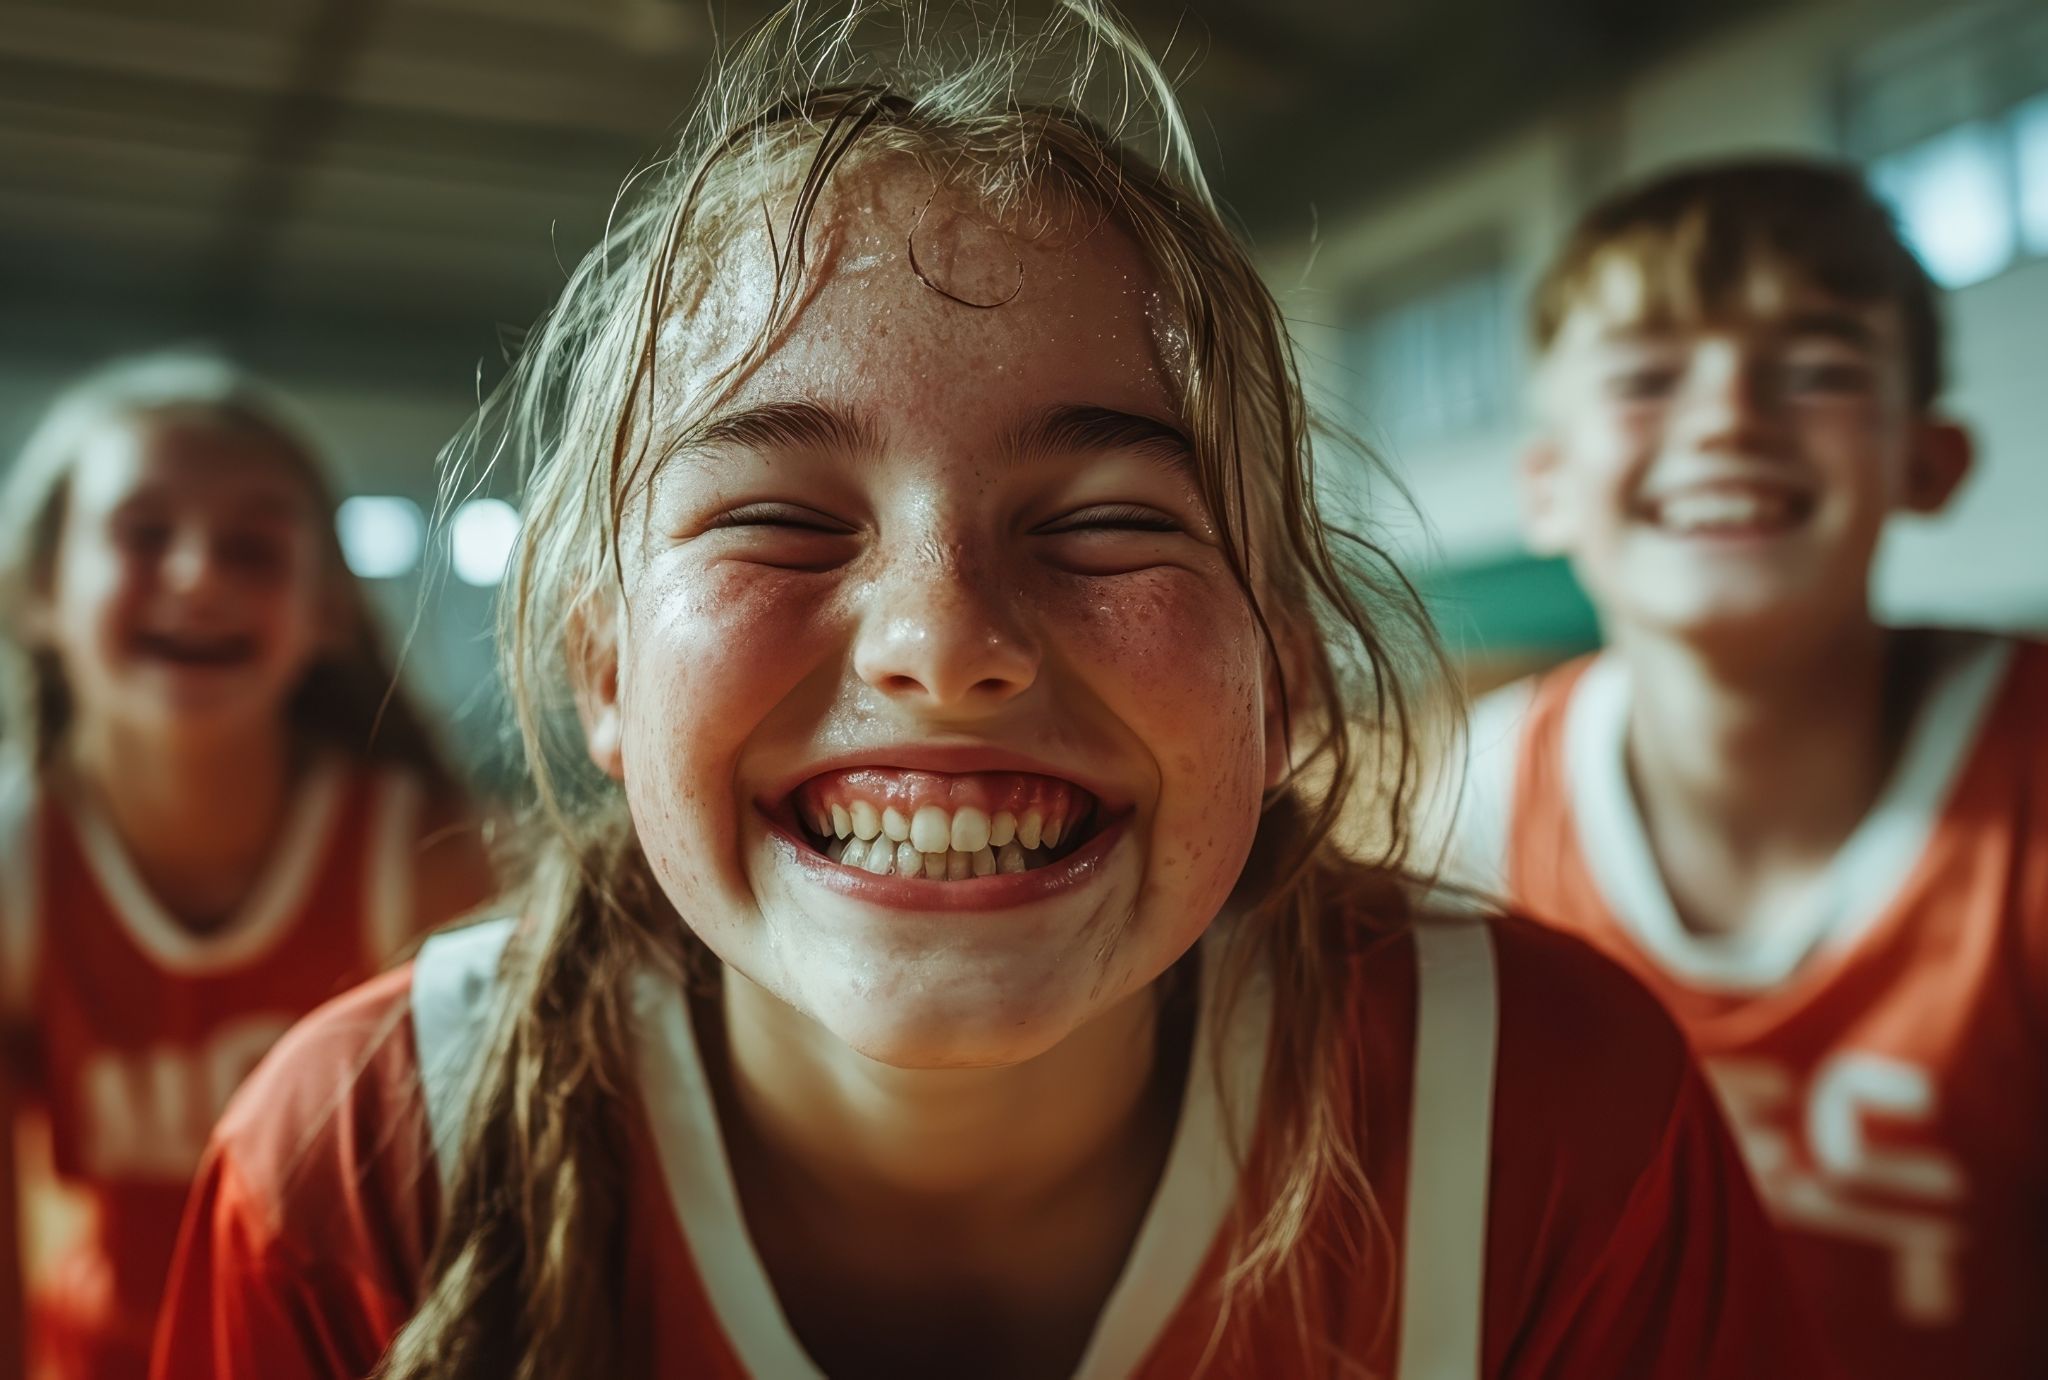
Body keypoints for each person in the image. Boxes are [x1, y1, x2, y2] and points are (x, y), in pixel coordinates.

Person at [153, 7, 1827, 1378]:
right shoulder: (366, 1169)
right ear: (604, 673)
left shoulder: (1543, 1113)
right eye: (781, 521)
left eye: (1104, 523)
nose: (939, 641)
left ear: (1285, 676)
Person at [1440, 157, 2048, 1378]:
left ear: (1926, 461)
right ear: (1544, 487)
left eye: (1816, 369)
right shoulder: (1462, 814)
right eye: (1646, 378)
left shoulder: (2021, 780)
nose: (1724, 418)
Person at [0, 353, 497, 1380]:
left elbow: (503, 1218)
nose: (197, 573)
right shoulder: (17, 868)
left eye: (255, 546)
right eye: (144, 534)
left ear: (323, 610)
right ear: (39, 590)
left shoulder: (430, 863)